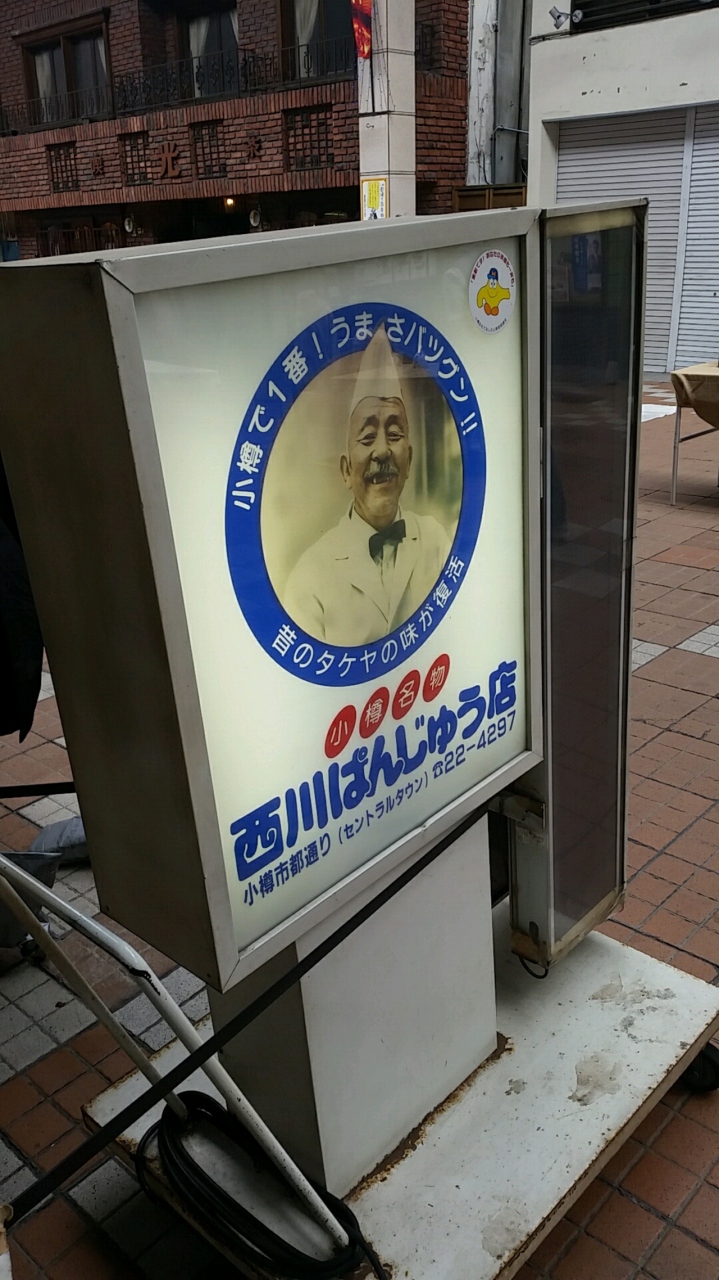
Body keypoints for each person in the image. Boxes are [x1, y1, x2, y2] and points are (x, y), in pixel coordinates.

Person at [283, 325, 451, 646]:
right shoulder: (309, 579)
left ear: (409, 460)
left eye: (395, 434)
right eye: (368, 436)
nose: (383, 451)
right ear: (346, 470)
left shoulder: (436, 542)